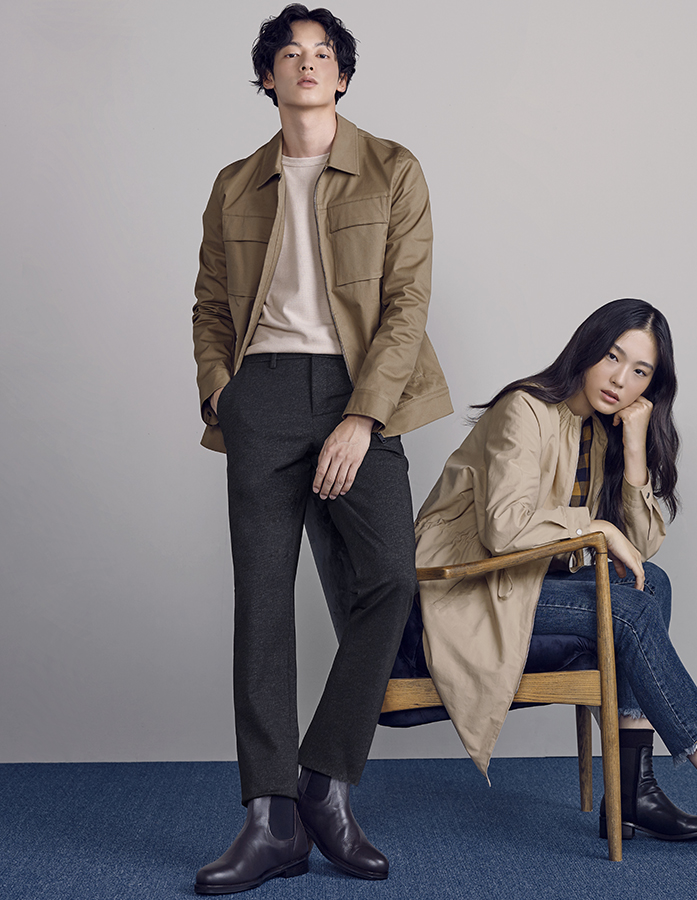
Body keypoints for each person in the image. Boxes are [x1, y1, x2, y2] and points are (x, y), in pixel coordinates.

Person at [414, 298, 697, 860]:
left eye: (640, 371)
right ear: (586, 349)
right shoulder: (524, 409)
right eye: (612, 356)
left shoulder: (598, 430)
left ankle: (632, 794)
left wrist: (633, 451)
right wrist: (598, 526)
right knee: (629, 611)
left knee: (652, 584)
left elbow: (639, 552)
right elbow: (504, 530)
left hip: (520, 587)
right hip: (466, 589)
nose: (620, 379)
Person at [191, 5, 451, 893]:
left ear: (342, 75)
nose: (307, 64)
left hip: (357, 390)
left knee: (388, 580)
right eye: (290, 53)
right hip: (261, 395)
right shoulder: (235, 183)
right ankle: (269, 822)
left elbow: (408, 304)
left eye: (323, 53)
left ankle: (325, 784)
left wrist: (363, 417)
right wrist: (221, 387)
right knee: (262, 605)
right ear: (267, 76)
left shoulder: (392, 168)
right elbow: (209, 304)